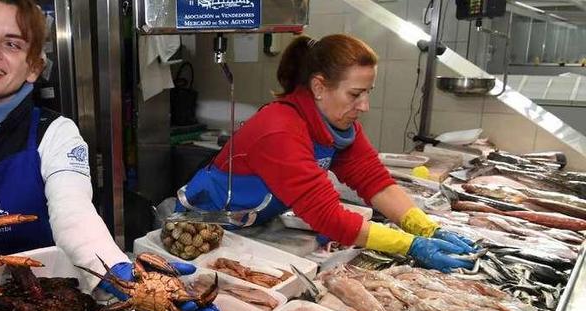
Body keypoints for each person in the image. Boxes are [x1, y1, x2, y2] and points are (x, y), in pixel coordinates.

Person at [0, 0, 216, 311]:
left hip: (36, 305)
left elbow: (73, 215)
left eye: (12, 44)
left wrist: (115, 270)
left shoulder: (55, 133)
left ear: (34, 67)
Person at [177, 34, 475, 272]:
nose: (364, 106)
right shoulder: (279, 129)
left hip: (251, 227)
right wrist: (410, 246)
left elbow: (375, 181)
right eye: (355, 94)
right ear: (319, 87)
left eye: (368, 92)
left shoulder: (339, 125)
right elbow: (327, 216)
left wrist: (424, 227)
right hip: (199, 230)